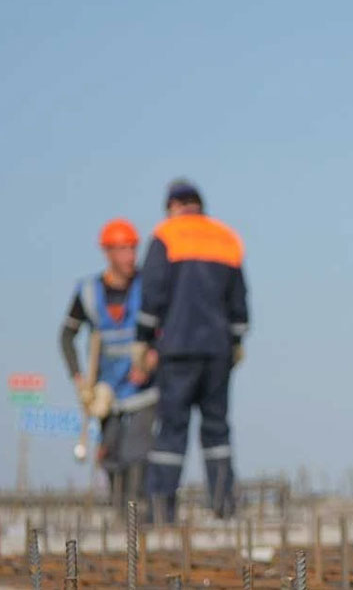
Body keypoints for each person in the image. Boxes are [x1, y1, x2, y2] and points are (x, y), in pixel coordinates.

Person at [134, 179, 249, 522]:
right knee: (216, 428)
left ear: (172, 206)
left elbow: (152, 294)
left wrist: (143, 339)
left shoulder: (167, 235)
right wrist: (237, 342)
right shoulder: (226, 237)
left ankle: (160, 510)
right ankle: (223, 504)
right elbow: (239, 301)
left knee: (171, 428)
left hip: (178, 349)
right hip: (217, 350)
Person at [59, 218, 158, 509]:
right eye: (123, 249)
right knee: (112, 452)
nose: (130, 256)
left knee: (137, 451)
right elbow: (66, 336)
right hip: (106, 391)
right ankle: (119, 515)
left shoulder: (149, 287)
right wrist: (79, 380)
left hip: (144, 388)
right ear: (108, 252)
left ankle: (139, 516)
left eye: (133, 248)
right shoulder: (88, 292)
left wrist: (152, 358)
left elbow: (168, 328)